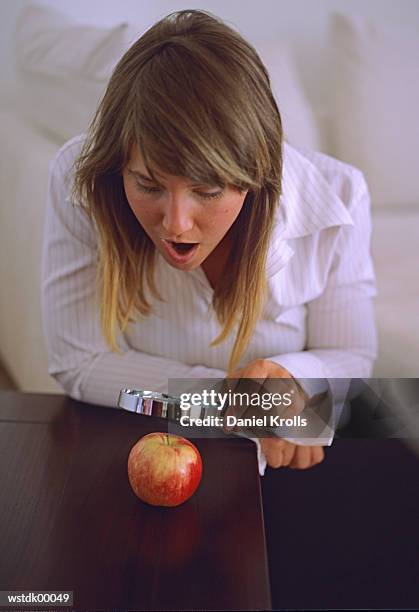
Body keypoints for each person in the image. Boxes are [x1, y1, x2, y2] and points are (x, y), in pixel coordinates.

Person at [41, 9, 377, 475]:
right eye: (148, 184)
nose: (176, 225)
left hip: (283, 470)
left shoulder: (341, 196)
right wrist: (229, 404)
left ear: (254, 175)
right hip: (128, 453)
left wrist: (297, 384)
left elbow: (354, 357)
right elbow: (78, 362)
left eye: (208, 191)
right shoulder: (78, 183)